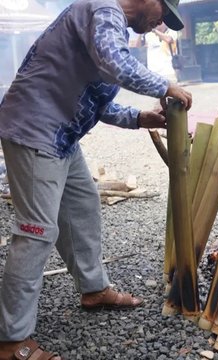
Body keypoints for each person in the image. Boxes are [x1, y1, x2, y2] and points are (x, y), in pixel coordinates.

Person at [0, 0, 191, 359]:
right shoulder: (104, 8)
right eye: (163, 13)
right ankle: (11, 340)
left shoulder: (109, 26)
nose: (160, 23)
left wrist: (139, 118)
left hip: (61, 135)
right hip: (34, 130)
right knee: (36, 233)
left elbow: (96, 103)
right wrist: (165, 87)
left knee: (83, 206)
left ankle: (93, 289)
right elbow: (114, 64)